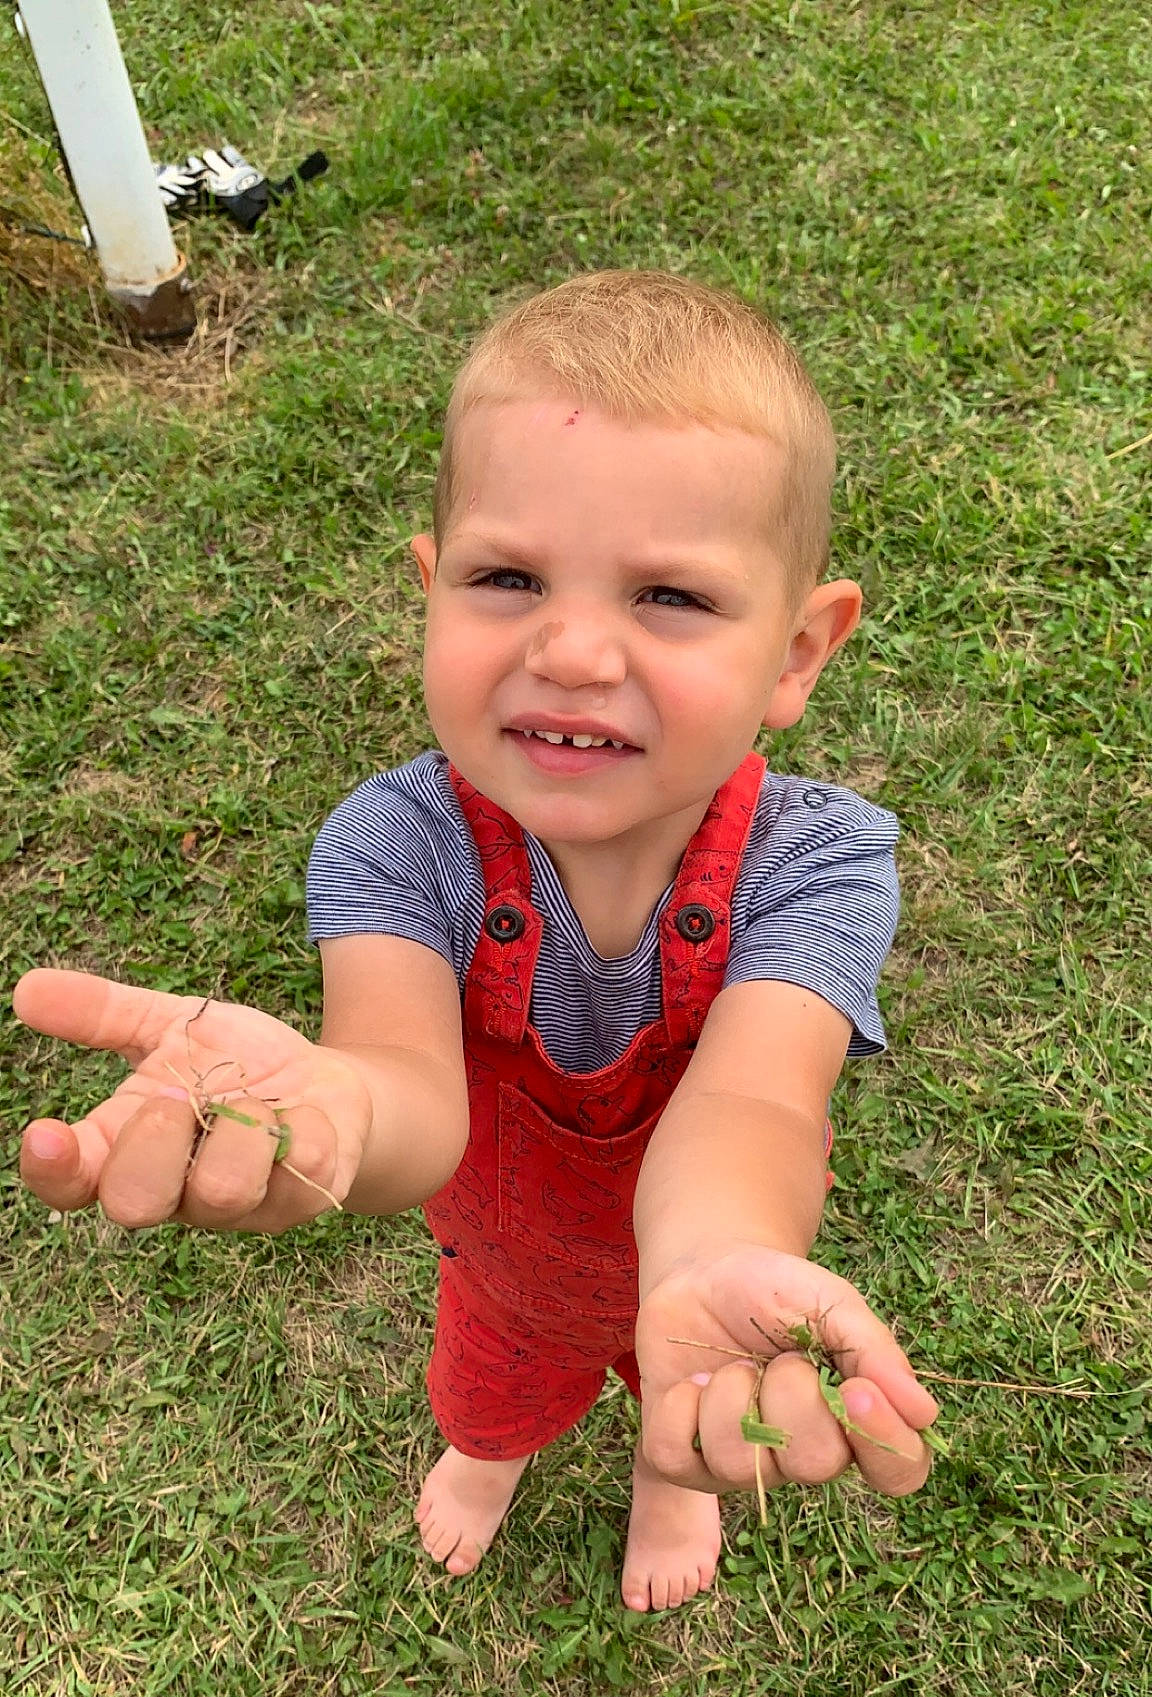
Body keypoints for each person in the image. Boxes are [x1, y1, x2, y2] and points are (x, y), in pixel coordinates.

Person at [14, 270, 938, 1612]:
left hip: (694, 1272)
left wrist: (712, 1257)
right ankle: (492, 1453)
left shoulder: (821, 861)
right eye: (508, 578)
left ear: (796, 654)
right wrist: (333, 1106)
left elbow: (753, 1098)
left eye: (669, 597)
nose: (570, 648)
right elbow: (406, 1097)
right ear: (432, 590)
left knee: (687, 1376)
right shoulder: (396, 844)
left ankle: (667, 1474)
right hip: (501, 1269)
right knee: (488, 1399)